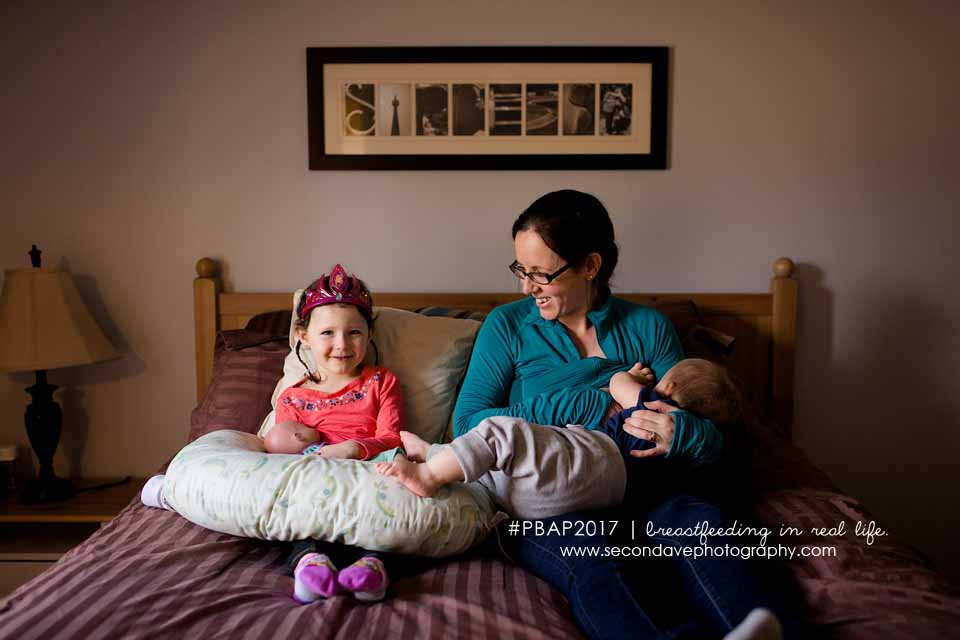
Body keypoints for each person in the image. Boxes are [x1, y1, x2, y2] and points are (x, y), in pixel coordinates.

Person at [447, 189, 785, 640]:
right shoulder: (507, 326)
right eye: (520, 271)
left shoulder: (648, 327)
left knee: (704, 528)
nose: (525, 288)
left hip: (648, 488)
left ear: (590, 265)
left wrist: (680, 431)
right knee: (597, 562)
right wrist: (596, 395)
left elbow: (705, 426)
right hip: (552, 499)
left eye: (540, 275)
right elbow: (469, 425)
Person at [143, 264, 403, 604]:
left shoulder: (381, 382)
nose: (342, 344)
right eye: (327, 333)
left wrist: (354, 449)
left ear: (369, 334)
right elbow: (281, 458)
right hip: (312, 481)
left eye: (354, 332)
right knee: (297, 517)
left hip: (366, 473)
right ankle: (310, 563)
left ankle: (372, 568)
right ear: (303, 336)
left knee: (388, 518)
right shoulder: (294, 397)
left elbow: (392, 438)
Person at [374, 359, 741, 523]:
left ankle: (429, 474)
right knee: (497, 469)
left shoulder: (656, 410)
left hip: (593, 460)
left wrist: (629, 377)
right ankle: (433, 454)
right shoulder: (678, 456)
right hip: (601, 497)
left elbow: (617, 385)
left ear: (671, 386)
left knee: (501, 432)